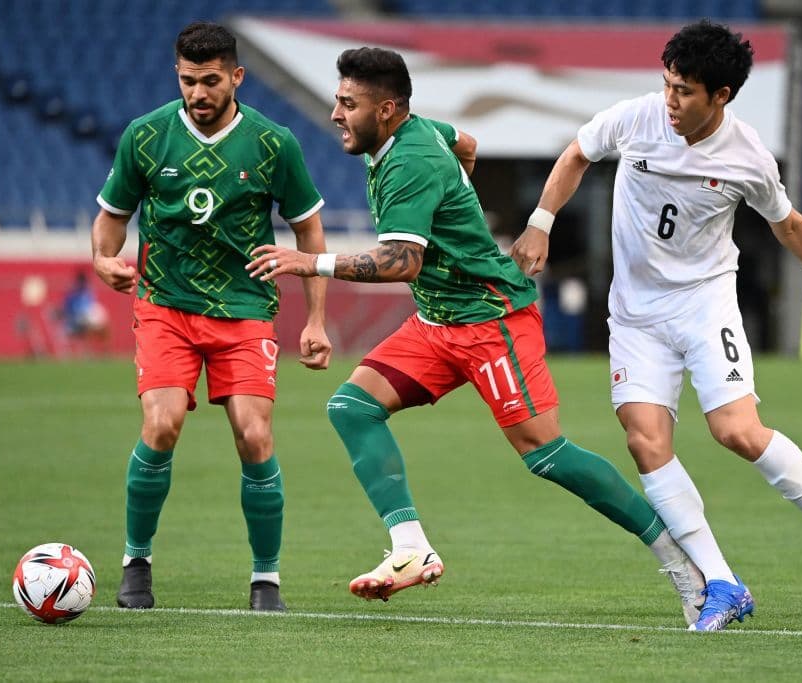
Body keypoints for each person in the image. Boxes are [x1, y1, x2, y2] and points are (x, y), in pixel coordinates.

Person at [247, 46, 707, 626]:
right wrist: (458, 196)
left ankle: (681, 562)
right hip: (437, 322)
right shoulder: (414, 133)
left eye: (348, 104)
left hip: (491, 322)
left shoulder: (410, 160)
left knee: (546, 454)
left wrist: (308, 262)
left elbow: (401, 262)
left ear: (386, 110)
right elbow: (466, 143)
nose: (336, 114)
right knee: (352, 408)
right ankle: (411, 547)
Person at [509, 20, 802, 631]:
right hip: (635, 315)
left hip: (703, 304)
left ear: (721, 95)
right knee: (645, 441)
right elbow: (578, 154)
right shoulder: (636, 118)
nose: (670, 100)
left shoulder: (748, 156)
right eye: (667, 84)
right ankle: (722, 583)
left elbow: (787, 224)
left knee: (736, 431)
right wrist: (541, 221)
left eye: (685, 91)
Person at [91, 21, 332, 612]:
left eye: (211, 81)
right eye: (188, 81)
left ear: (236, 77)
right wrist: (102, 260)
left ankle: (266, 580)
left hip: (245, 308)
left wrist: (315, 320)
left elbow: (309, 231)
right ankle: (136, 563)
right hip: (165, 305)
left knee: (254, 434)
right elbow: (112, 216)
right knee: (162, 424)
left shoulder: (273, 143)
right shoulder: (146, 136)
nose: (198, 93)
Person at [60, 270, 110, 350]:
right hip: (77, 317)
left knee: (102, 320)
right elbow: (68, 308)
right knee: (86, 323)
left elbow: (91, 304)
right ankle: (88, 346)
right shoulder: (73, 293)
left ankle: (105, 346)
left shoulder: (88, 291)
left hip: (88, 314)